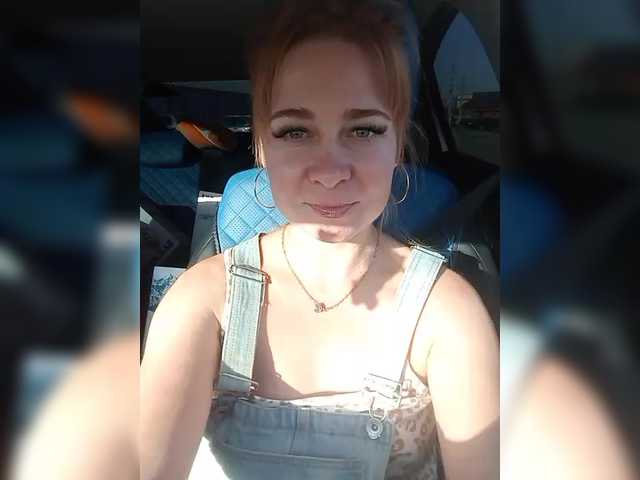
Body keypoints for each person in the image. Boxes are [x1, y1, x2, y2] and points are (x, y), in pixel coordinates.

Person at [140, 1, 498, 479]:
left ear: (398, 144)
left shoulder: (446, 311)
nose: (330, 172)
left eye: (363, 129)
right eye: (296, 131)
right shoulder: (201, 302)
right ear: (262, 146)